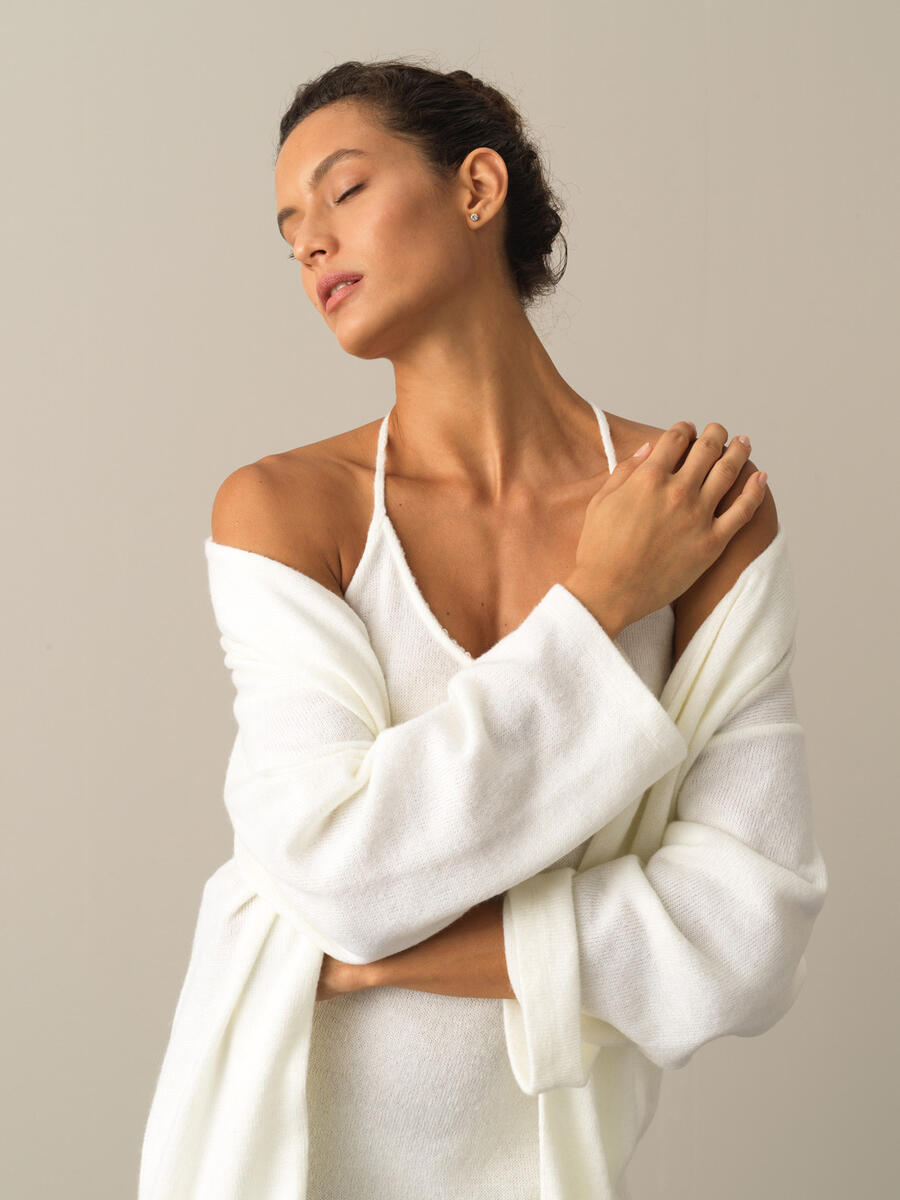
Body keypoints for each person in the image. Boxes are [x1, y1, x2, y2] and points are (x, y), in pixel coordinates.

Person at [148, 60, 820, 1200]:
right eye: (290, 231)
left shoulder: (695, 510)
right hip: (269, 1160)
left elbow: (750, 929)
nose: (312, 243)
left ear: (476, 188)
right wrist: (601, 602)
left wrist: (397, 956)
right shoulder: (284, 510)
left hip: (551, 1169)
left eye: (343, 191)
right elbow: (340, 872)